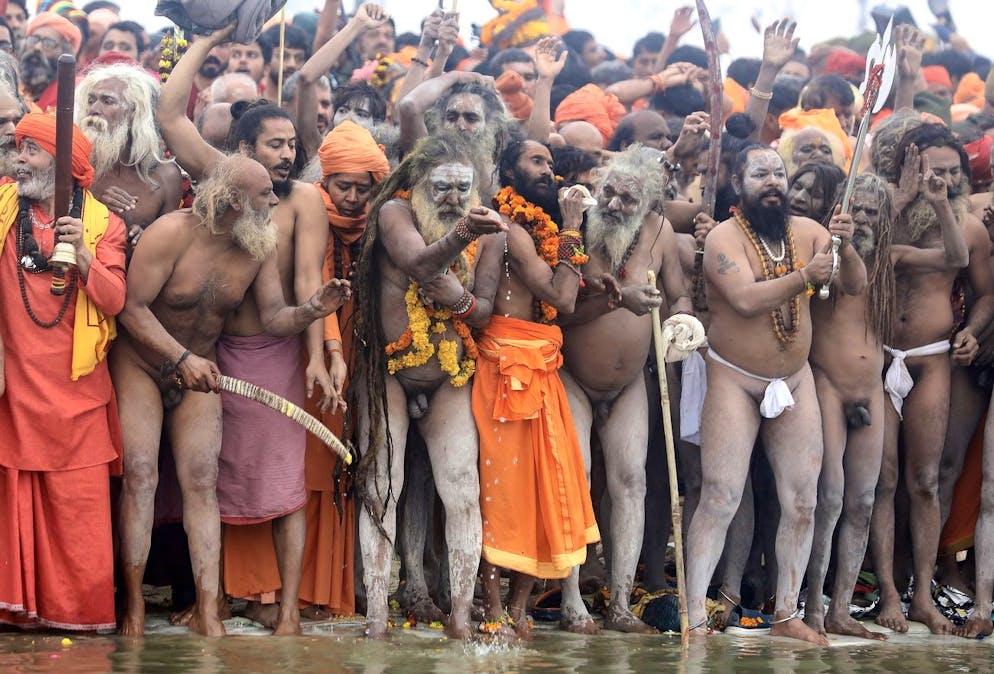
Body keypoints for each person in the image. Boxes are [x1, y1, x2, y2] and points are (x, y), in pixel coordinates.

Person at [155, 23, 344, 636]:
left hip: (279, 349)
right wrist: (206, 42)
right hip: (210, 352)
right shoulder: (223, 177)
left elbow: (310, 282)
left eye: (292, 144)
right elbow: (169, 117)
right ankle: (222, 600)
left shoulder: (305, 200)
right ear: (241, 151)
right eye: (273, 146)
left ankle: (286, 610)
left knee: (282, 485)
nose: (287, 156)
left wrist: (320, 354)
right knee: (209, 480)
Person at [112, 154, 350, 637]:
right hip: (141, 365)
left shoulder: (256, 244)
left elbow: (273, 319)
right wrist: (180, 360)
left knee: (202, 480)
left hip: (199, 372)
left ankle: (208, 611)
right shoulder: (171, 232)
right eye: (265, 193)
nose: (273, 200)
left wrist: (312, 310)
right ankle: (133, 608)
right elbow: (131, 309)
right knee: (141, 475)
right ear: (235, 200)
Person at [685, 144, 865, 646]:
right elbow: (743, 300)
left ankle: (787, 613)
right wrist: (805, 276)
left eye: (779, 173)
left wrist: (845, 248)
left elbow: (854, 285)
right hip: (734, 377)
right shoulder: (724, 237)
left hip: (794, 379)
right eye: (760, 173)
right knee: (721, 496)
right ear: (739, 182)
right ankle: (695, 613)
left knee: (803, 501)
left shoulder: (810, 233)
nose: (773, 181)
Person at [352, 132, 506, 639]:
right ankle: (376, 618)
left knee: (462, 490)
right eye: (442, 187)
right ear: (419, 183)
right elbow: (419, 264)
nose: (454, 199)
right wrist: (464, 232)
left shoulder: (492, 231)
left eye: (465, 188)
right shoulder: (395, 212)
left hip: (450, 374)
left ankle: (461, 617)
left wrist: (460, 300)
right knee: (382, 488)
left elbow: (484, 312)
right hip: (388, 373)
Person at [0, 112, 125, 632]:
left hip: (76, 390)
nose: (19, 157)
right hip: (14, 382)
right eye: (19, 147)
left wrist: (87, 259)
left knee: (78, 509)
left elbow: (115, 300)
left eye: (31, 149)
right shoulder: (4, 206)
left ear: (65, 163)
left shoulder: (103, 222)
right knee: (14, 498)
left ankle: (78, 618)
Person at [558, 146, 692, 633]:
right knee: (576, 478)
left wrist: (682, 319)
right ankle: (572, 601)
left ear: (649, 206)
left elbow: (679, 291)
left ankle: (619, 608)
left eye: (627, 200)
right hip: (571, 375)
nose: (614, 205)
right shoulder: (573, 226)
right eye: (608, 193)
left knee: (630, 481)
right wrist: (618, 302)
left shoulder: (660, 231)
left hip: (631, 380)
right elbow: (559, 307)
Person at [473, 138, 599, 639]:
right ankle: (492, 609)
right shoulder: (509, 231)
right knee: (501, 493)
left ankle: (520, 608)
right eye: (536, 162)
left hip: (542, 365)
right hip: (506, 368)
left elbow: (566, 300)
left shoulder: (537, 229)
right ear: (508, 171)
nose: (548, 171)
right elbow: (561, 296)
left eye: (551, 163)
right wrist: (572, 227)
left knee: (545, 491)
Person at [869, 124, 990, 636]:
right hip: (874, 357)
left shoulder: (967, 222)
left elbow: (984, 290)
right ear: (908, 167)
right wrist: (902, 198)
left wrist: (974, 332)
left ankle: (922, 593)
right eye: (930, 169)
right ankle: (887, 593)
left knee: (925, 481)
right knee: (883, 480)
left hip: (933, 356)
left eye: (951, 170)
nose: (941, 178)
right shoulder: (881, 210)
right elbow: (863, 255)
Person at [804, 173, 895, 640]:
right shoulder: (823, 250)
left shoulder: (888, 260)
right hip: (827, 383)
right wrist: (842, 241)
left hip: (870, 390)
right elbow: (849, 281)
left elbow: (863, 282)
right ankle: (815, 610)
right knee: (831, 497)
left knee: (862, 501)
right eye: (854, 209)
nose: (861, 219)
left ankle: (841, 609)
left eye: (871, 213)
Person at [74, 62, 182, 257]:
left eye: (107, 101)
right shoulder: (77, 161)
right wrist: (95, 206)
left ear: (135, 112)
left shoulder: (166, 176)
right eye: (91, 100)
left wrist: (147, 239)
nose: (94, 109)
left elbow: (171, 248)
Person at [22, 12, 82, 111]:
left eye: (48, 43)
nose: (37, 47)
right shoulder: (15, 89)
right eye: (34, 39)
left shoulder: (75, 93)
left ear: (65, 52)